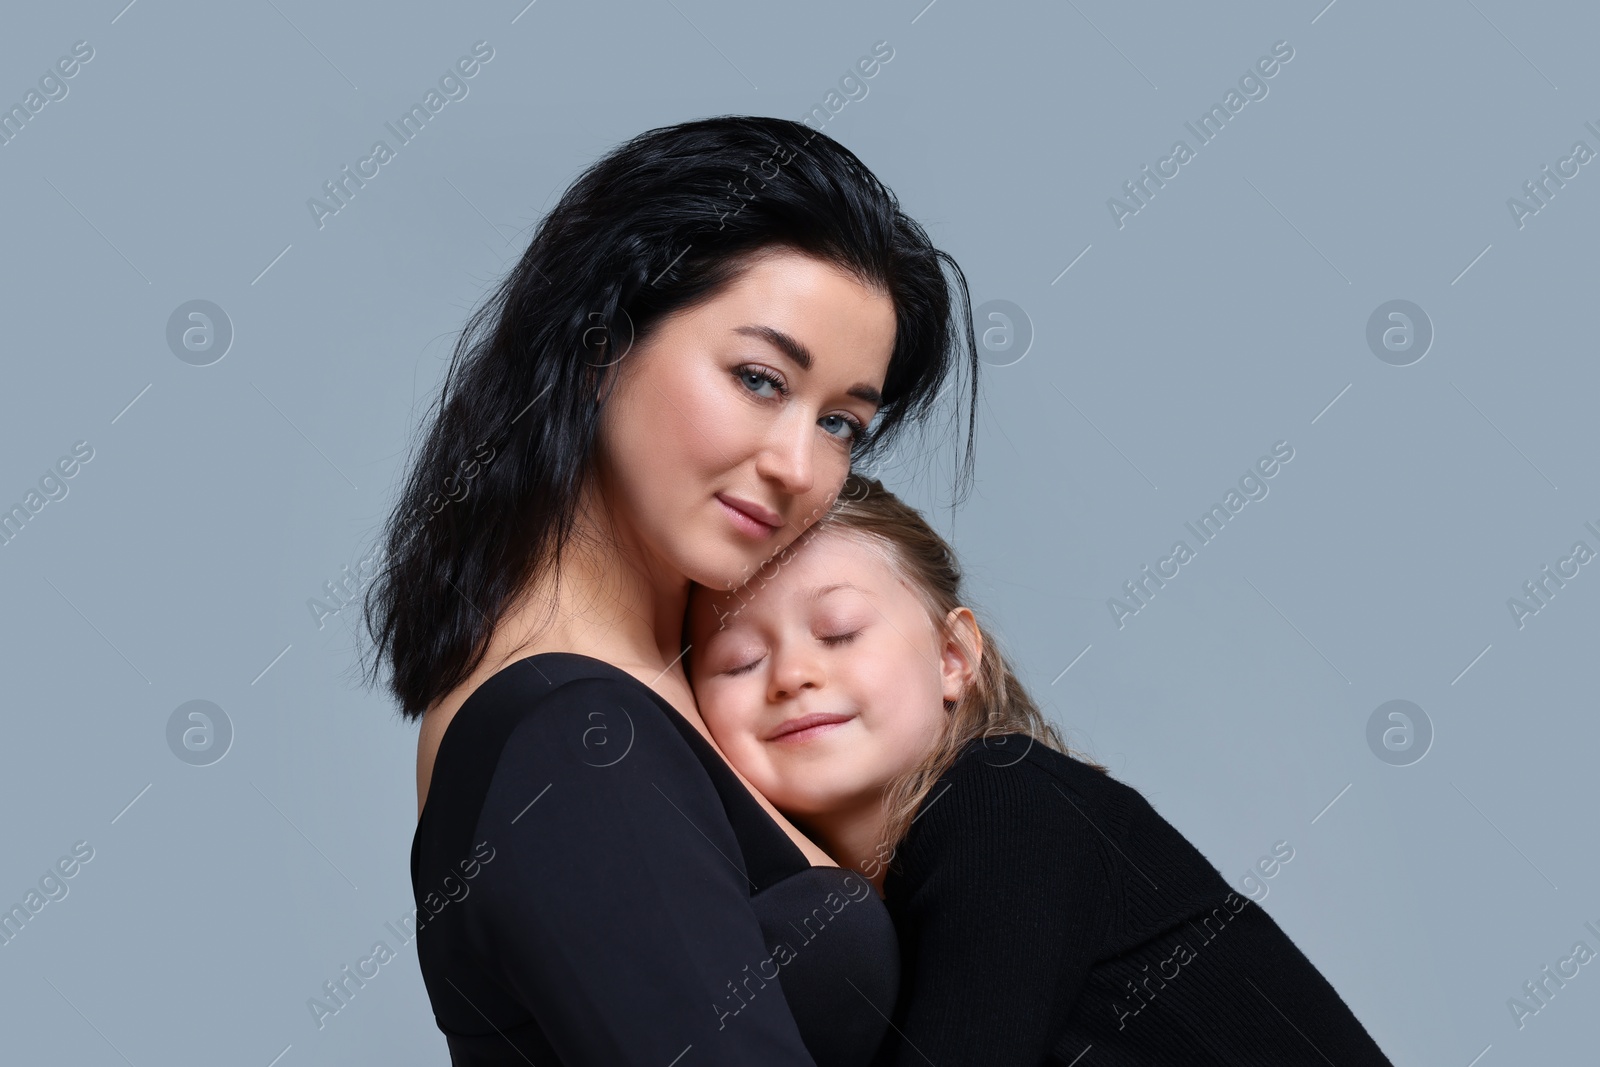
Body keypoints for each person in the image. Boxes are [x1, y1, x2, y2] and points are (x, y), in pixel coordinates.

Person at [359, 115, 983, 1065]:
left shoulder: (696, 691)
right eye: (761, 378)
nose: (798, 466)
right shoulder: (573, 740)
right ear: (599, 341)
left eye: (844, 424)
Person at [684, 474, 1397, 1065]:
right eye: (738, 661)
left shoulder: (1006, 798)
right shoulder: (865, 917)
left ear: (954, 657)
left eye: (838, 631)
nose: (793, 675)